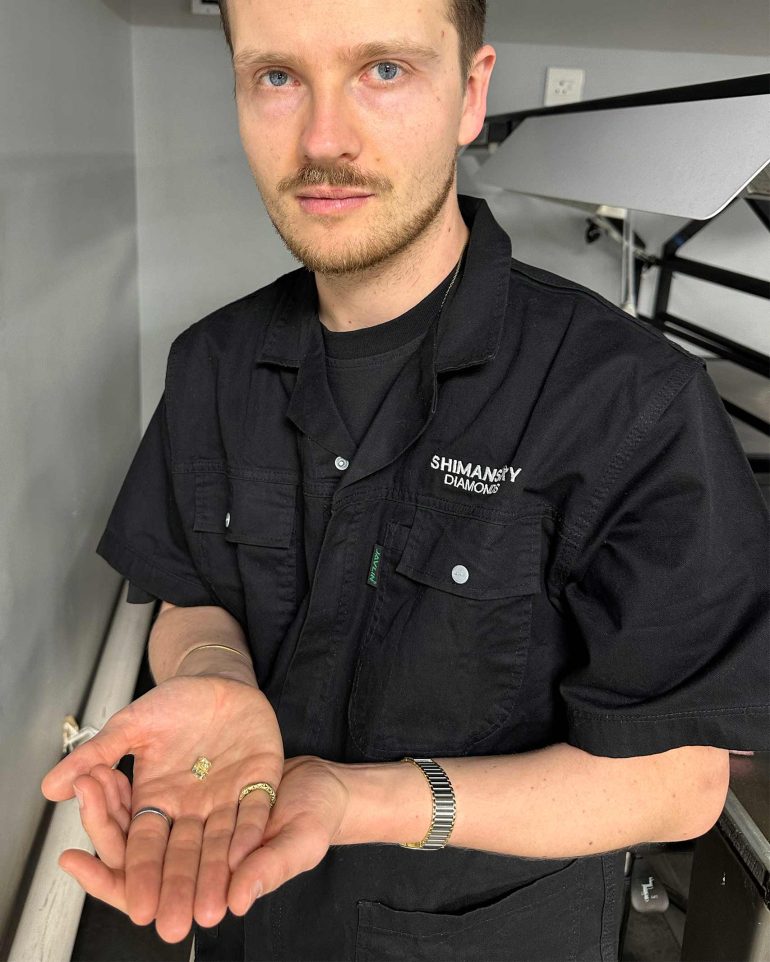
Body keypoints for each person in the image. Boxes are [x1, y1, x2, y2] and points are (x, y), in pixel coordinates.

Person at [41, 1, 770, 960]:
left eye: (383, 69)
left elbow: (678, 785)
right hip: (245, 921)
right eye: (276, 76)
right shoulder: (211, 364)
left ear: (471, 94)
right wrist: (216, 672)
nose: (322, 139)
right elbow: (190, 595)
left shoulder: (629, 400)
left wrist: (359, 800)